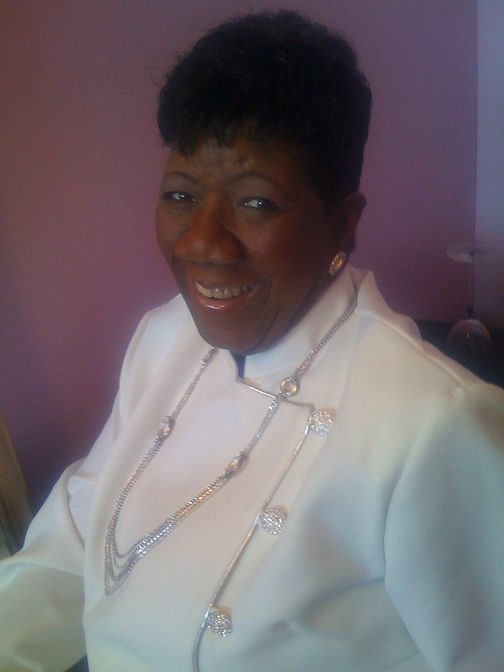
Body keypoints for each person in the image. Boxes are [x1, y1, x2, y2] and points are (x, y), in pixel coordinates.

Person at [1, 10, 503, 672]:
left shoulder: (432, 423)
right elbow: (72, 546)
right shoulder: (162, 337)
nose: (203, 242)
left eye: (256, 202)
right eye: (181, 195)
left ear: (342, 223)